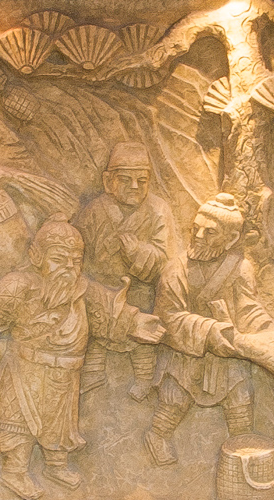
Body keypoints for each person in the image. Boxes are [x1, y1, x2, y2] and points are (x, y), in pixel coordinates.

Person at [0, 214, 164, 500]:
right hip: (25, 369)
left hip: (66, 373)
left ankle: (56, 466)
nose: (69, 267)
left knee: (60, 425)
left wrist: (135, 322)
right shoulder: (18, 286)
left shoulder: (83, 289)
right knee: (17, 422)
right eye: (59, 259)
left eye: (76, 260)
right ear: (36, 256)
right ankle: (15, 471)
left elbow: (110, 312)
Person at [145, 193, 274, 466]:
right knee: (174, 398)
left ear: (230, 238)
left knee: (239, 399)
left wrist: (264, 329)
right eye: (196, 228)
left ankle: (241, 448)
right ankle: (157, 436)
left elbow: (248, 307)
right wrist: (209, 331)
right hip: (188, 352)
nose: (199, 236)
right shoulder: (176, 269)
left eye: (210, 232)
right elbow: (168, 316)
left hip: (227, 351)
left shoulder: (240, 268)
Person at [75, 142, 176, 401]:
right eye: (125, 179)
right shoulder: (95, 210)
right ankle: (92, 372)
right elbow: (79, 251)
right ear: (108, 181)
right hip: (101, 289)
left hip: (140, 291)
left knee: (145, 336)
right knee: (93, 332)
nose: (134, 186)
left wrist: (138, 253)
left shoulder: (158, 210)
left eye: (142, 181)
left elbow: (167, 260)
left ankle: (144, 380)